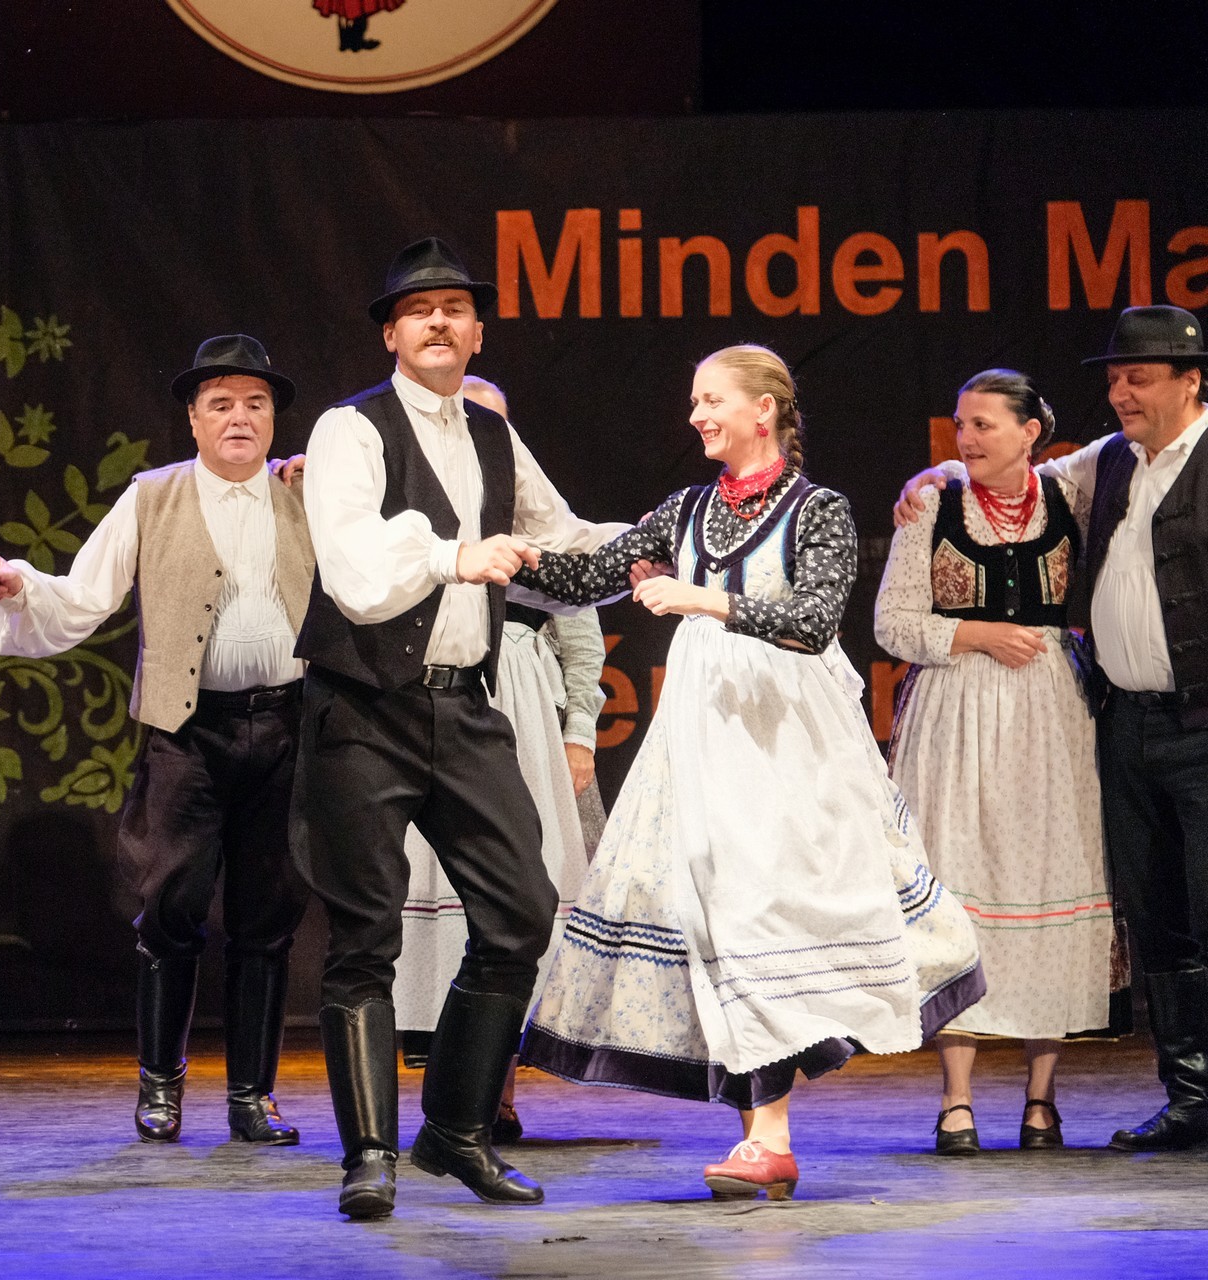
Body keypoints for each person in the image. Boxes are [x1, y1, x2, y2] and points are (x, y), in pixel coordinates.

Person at [514, 344, 984, 1201]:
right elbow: (588, 574)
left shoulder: (818, 509)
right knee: (720, 916)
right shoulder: (689, 508)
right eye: (694, 401)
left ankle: (774, 1126)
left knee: (779, 909)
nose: (696, 415)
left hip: (789, 740)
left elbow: (815, 620)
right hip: (702, 738)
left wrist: (705, 600)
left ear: (763, 409)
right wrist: (505, 553)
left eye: (712, 400)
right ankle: (766, 1138)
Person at [293, 237, 628, 1219]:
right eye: (419, 309)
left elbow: (562, 540)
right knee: (365, 935)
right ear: (391, 334)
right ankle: (368, 1153)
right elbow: (355, 573)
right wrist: (454, 556)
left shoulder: (492, 435)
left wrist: (656, 546)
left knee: (520, 911)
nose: (439, 321)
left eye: (456, 308)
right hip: (363, 706)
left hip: (461, 704)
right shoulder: (350, 429)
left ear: (478, 332)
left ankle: (455, 1129)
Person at [0, 335, 314, 1147]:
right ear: (193, 420)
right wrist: (19, 587)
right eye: (221, 404)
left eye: (256, 404)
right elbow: (82, 597)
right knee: (171, 908)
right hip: (188, 732)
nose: (240, 418)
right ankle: (161, 1086)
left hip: (288, 728)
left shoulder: (308, 493)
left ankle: (253, 1097)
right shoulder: (152, 497)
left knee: (268, 916)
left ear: (274, 419)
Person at [896, 305, 1208, 1151]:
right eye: (1115, 379)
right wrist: (937, 472)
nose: (1121, 392)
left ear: (1191, 380)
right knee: (1159, 915)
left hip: (1195, 719)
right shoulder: (1108, 462)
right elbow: (1009, 469)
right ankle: (1191, 1098)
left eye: (1139, 378)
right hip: (1123, 720)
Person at [876, 370, 1113, 1155]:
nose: (967, 438)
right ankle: (957, 1099)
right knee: (959, 885)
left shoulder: (1071, 493)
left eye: (983, 424)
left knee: (1048, 876)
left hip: (1050, 712)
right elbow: (892, 623)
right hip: (955, 708)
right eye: (960, 425)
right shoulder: (933, 505)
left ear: (1029, 431)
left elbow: (1140, 449)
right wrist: (974, 634)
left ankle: (1042, 1099)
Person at [392, 375, 606, 1145]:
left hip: (517, 698)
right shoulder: (407, 507)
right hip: (428, 698)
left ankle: (499, 1091)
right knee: (440, 894)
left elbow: (580, 629)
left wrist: (579, 731)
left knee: (515, 889)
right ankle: (448, 1093)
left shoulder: (533, 515)